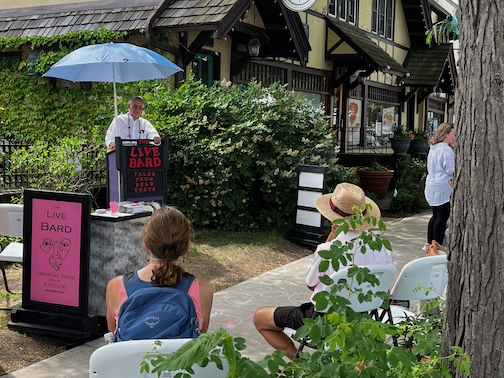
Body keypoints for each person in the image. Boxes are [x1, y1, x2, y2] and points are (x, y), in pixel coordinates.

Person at [253, 183, 392, 360]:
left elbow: (311, 285)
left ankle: (304, 363)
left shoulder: (330, 249)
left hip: (324, 320)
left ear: (333, 217)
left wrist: (327, 242)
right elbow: (384, 290)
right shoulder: (381, 248)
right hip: (363, 319)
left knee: (260, 318)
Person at [105, 206, 213, 335]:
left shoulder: (116, 286)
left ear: (146, 244)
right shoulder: (202, 290)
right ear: (186, 246)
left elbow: (113, 335)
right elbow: (200, 335)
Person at [424, 122, 454, 250]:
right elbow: (451, 169)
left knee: (435, 215)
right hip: (444, 185)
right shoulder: (446, 149)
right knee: (442, 217)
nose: (454, 136)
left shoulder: (434, 147)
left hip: (432, 184)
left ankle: (429, 243)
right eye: (453, 134)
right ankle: (438, 244)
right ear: (446, 134)